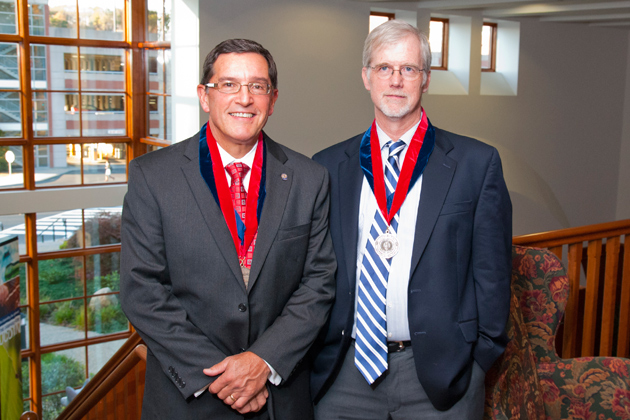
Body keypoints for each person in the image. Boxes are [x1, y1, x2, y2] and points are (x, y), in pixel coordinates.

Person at [120, 38, 336, 420]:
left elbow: (318, 283)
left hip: (278, 400)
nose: (244, 98)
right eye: (229, 84)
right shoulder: (153, 177)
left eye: (257, 86)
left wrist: (261, 362)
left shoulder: (309, 178)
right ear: (205, 96)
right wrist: (227, 376)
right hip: (189, 398)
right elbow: (142, 291)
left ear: (273, 99)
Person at [310, 20, 512, 419]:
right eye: (384, 68)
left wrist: (478, 362)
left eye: (409, 69)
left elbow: (493, 273)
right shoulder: (328, 166)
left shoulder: (475, 163)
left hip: (441, 377)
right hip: (345, 375)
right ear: (366, 77)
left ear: (426, 79)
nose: (396, 80)